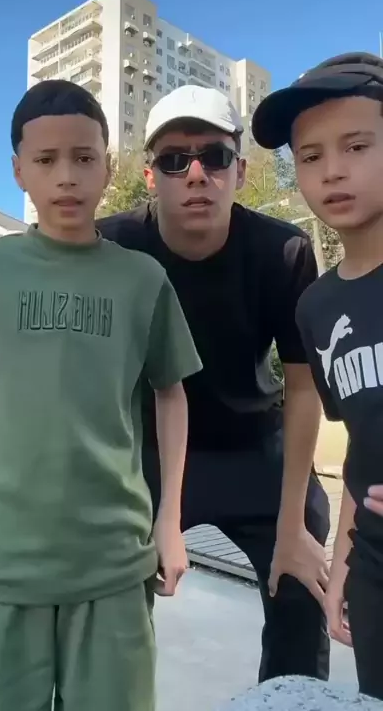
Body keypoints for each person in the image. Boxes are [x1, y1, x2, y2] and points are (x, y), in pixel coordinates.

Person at [0, 80, 203, 711]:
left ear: (108, 165)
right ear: (19, 170)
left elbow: (171, 393)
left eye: (84, 157)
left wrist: (169, 520)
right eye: (45, 160)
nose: (66, 176)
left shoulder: (142, 278)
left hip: (114, 566)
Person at [98, 84, 331, 683]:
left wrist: (292, 525)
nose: (196, 173)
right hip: (145, 452)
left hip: (255, 450)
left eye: (215, 156)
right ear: (151, 177)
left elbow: (304, 388)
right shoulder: (111, 247)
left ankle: (290, 695)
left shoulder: (283, 251)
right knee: (99, 592)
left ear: (240, 171)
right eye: (175, 160)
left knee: (302, 575)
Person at [252, 51, 383, 700]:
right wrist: (345, 563)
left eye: (357, 146)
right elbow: (363, 445)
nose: (332, 170)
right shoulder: (317, 307)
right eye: (310, 156)